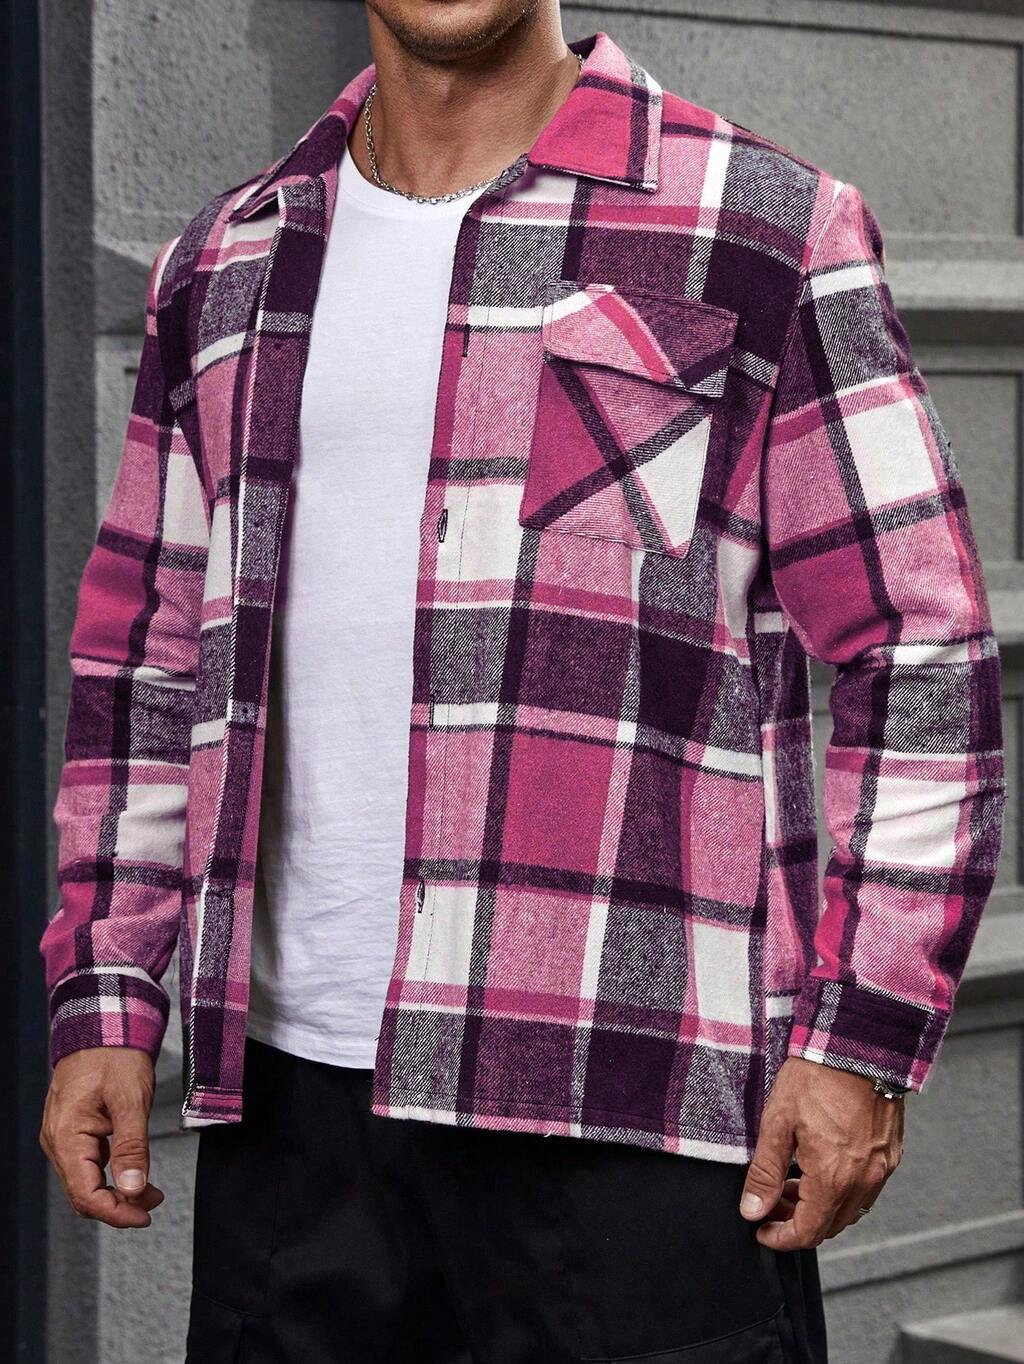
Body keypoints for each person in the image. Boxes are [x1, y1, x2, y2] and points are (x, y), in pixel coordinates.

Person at [38, 2, 1005, 1360]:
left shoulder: (765, 228)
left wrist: (859, 1040)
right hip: (295, 1120)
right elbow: (144, 660)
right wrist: (109, 987)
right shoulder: (226, 258)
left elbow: (920, 652)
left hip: (634, 1104)